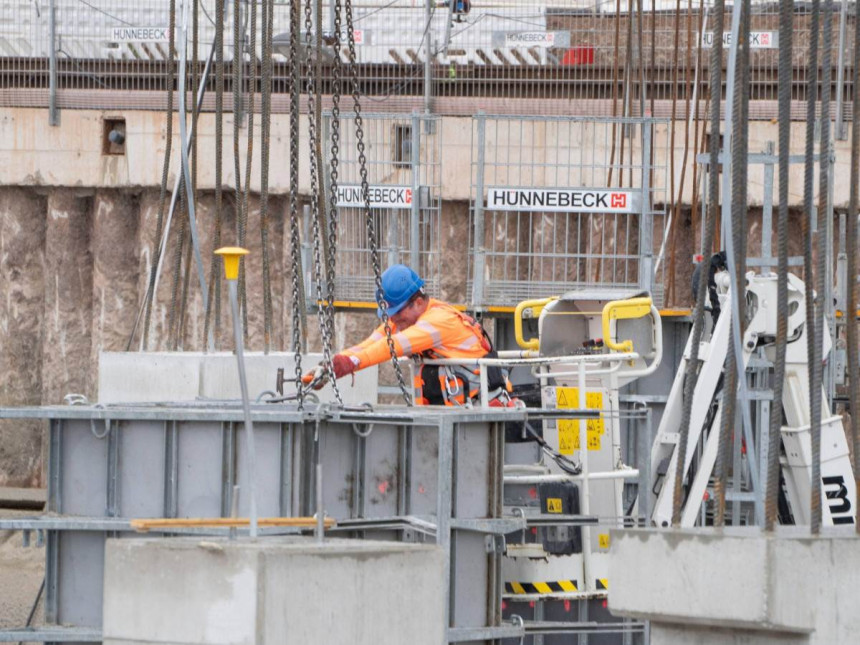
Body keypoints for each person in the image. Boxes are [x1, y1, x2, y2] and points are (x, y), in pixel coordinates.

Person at [303, 264, 513, 406]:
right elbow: (370, 344)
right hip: (453, 414)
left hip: (480, 412)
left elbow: (392, 346)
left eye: (396, 313)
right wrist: (330, 366)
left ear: (419, 303)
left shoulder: (438, 322)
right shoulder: (406, 321)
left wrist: (349, 364)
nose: (393, 320)